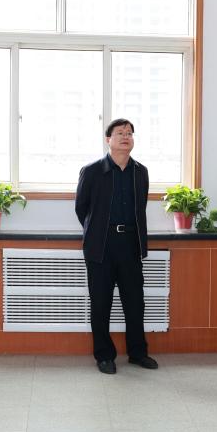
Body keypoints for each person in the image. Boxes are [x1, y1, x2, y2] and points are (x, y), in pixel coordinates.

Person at [75, 118, 157, 374]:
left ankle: (138, 352)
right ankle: (104, 355)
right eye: (120, 133)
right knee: (101, 303)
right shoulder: (92, 171)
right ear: (108, 139)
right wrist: (99, 231)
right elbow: (82, 209)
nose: (126, 137)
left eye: (130, 133)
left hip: (130, 243)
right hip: (101, 245)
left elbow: (140, 206)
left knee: (135, 302)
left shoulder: (140, 172)